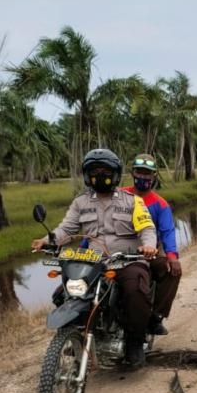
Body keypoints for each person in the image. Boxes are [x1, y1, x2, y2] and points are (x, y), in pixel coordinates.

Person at [31, 148, 157, 368]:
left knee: (136, 290)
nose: (99, 175)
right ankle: (77, 335)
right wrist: (47, 240)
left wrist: (148, 246)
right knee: (63, 293)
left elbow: (147, 228)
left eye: (105, 170)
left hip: (126, 259)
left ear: (115, 173)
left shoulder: (132, 201)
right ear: (87, 174)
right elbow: (66, 229)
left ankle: (134, 342)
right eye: (94, 170)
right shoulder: (81, 202)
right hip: (92, 261)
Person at [121, 153, 182, 336]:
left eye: (147, 173)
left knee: (171, 271)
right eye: (140, 172)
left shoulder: (160, 204)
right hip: (116, 250)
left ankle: (155, 317)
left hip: (148, 252)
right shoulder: (120, 196)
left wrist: (172, 256)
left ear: (154, 175)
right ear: (132, 172)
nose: (143, 177)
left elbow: (168, 231)